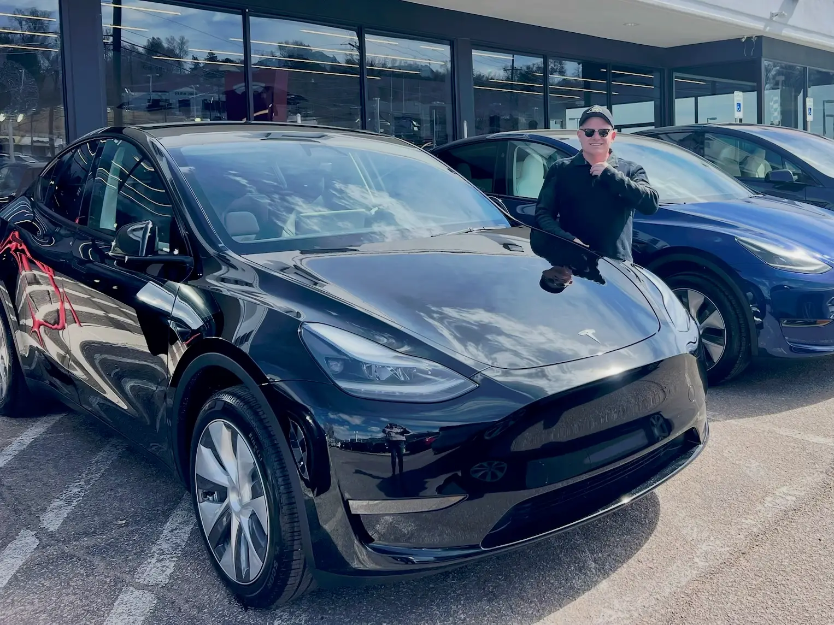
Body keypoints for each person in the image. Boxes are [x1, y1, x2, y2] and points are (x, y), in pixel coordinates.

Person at [534, 105, 659, 262]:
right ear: (580, 135)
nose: (596, 137)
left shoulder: (630, 170)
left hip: (617, 266)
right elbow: (542, 214)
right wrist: (566, 240)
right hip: (572, 264)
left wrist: (611, 175)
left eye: (603, 132)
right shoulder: (561, 169)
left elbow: (651, 205)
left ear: (612, 136)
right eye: (589, 132)